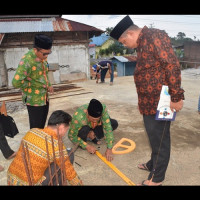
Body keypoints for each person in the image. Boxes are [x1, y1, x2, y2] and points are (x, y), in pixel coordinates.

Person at [110, 15, 185, 186]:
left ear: (129, 34)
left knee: (160, 138)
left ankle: (157, 178)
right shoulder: (142, 43)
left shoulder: (154, 36)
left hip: (163, 101)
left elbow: (171, 65)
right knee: (154, 136)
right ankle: (153, 165)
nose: (124, 45)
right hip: (149, 103)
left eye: (123, 42)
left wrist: (176, 97)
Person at [7, 110, 83, 185]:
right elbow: (69, 172)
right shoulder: (56, 145)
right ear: (62, 127)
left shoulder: (32, 131)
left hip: (11, 178)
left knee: (55, 158)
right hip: (29, 183)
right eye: (66, 130)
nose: (65, 133)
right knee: (69, 155)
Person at [12, 34, 54, 129]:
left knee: (42, 125)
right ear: (35, 50)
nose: (46, 56)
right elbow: (15, 82)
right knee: (35, 128)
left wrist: (48, 84)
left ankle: (39, 142)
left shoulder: (43, 58)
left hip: (44, 97)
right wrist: (33, 84)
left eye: (48, 53)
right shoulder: (27, 61)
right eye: (44, 54)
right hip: (34, 100)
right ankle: (33, 143)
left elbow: (44, 72)